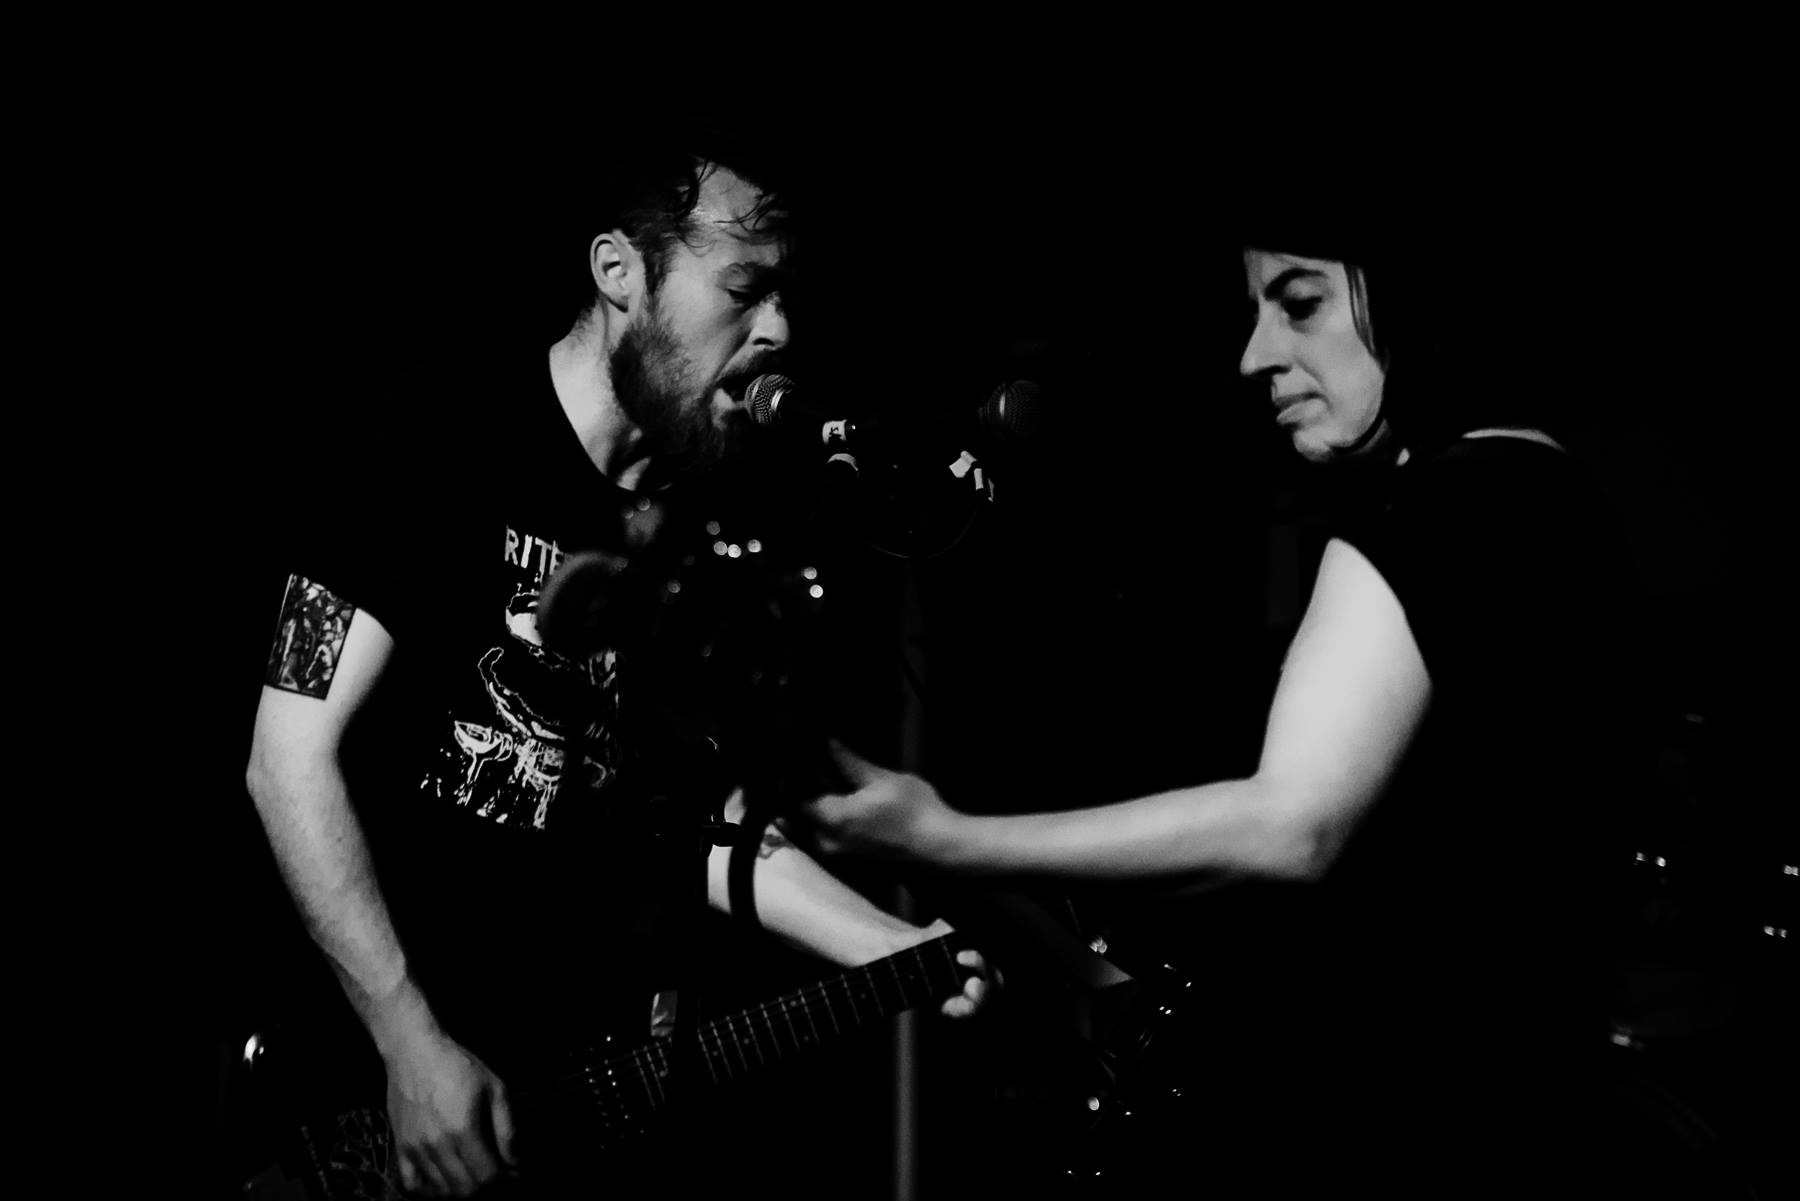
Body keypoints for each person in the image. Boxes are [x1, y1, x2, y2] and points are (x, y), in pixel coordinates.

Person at [796, 204, 1645, 1195]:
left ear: (1418, 302)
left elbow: (1291, 825)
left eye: (1301, 304)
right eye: (1256, 312)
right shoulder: (1555, 493)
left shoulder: (1450, 509)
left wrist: (945, 839)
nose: (1255, 355)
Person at [243, 129, 988, 1199]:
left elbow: (700, 823)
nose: (778, 328)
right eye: (745, 288)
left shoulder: (697, 530)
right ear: (618, 272)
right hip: (360, 1101)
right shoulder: (438, 436)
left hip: (552, 1104)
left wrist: (892, 944)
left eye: (788, 296)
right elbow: (287, 759)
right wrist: (407, 1039)